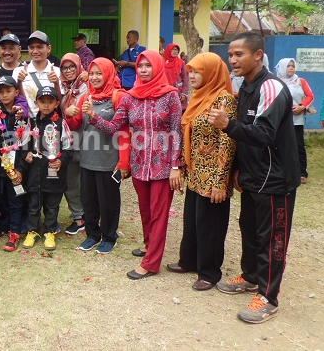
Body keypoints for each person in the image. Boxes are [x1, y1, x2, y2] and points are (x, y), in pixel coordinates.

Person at [207, 32, 300, 324]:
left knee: (273, 238)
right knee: (249, 228)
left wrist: (227, 124)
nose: (232, 60)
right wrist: (238, 167)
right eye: (230, 55)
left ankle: (268, 297)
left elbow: (264, 134)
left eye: (239, 54)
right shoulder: (246, 86)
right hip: (252, 176)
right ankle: (249, 276)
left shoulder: (271, 86)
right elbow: (246, 134)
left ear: (258, 55)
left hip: (275, 179)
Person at [84, 50, 183, 279]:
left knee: (159, 215)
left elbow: (176, 131)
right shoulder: (130, 97)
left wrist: (176, 166)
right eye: (140, 66)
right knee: (145, 210)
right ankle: (149, 246)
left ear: (157, 67)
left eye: (148, 66)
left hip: (162, 166)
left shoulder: (170, 96)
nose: (144, 70)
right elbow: (114, 127)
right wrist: (94, 116)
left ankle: (151, 264)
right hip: (139, 164)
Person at [165, 53, 237, 291]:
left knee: (211, 226)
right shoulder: (199, 96)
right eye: (191, 72)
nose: (192, 76)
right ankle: (189, 261)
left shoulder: (224, 100)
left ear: (212, 73)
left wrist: (220, 181)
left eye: (198, 72)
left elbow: (227, 142)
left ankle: (209, 272)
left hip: (214, 175)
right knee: (193, 221)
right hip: (196, 173)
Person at [67, 58, 128, 254]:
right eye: (91, 73)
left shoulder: (119, 97)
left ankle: (109, 236)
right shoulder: (87, 97)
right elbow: (76, 125)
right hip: (87, 158)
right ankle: (92, 235)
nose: (94, 77)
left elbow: (118, 130)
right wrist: (69, 114)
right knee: (89, 201)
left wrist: (124, 162)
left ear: (108, 73)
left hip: (109, 160)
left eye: (99, 73)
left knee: (108, 202)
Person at [20, 86, 73, 251]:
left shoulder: (61, 123)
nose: (46, 105)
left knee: (52, 206)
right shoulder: (31, 122)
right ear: (36, 103)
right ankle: (33, 231)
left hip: (54, 174)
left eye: (50, 102)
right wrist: (27, 154)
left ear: (57, 103)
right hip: (34, 174)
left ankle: (50, 232)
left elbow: (69, 148)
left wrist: (61, 161)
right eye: (42, 101)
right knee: (33, 206)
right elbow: (23, 145)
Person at [0, 76, 29, 251]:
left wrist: (21, 169)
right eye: (0, 92)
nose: (4, 95)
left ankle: (15, 231)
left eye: (8, 91)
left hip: (15, 169)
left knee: (15, 200)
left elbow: (26, 144)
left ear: (16, 92)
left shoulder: (22, 115)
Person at [59, 53, 88, 235]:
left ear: (79, 67)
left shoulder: (88, 86)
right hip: (69, 143)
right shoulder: (62, 88)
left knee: (88, 183)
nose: (68, 71)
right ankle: (78, 217)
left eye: (72, 67)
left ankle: (91, 215)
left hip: (88, 142)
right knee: (70, 183)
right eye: (65, 67)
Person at [274, 58, 313, 184]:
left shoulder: (300, 81)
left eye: (293, 66)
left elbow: (310, 96)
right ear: (282, 68)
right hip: (280, 119)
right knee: (279, 144)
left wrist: (302, 106)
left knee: (298, 146)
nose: (291, 68)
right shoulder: (276, 82)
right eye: (288, 66)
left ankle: (302, 173)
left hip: (297, 120)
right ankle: (281, 170)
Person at [15, 31, 62, 116]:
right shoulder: (18, 72)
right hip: (27, 122)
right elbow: (19, 101)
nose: (35, 51)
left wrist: (56, 83)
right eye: (31, 47)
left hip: (50, 123)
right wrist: (19, 82)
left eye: (39, 47)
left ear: (49, 48)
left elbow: (60, 103)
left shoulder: (58, 72)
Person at [163, 43, 189, 111]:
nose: (175, 51)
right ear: (168, 50)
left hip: (178, 92)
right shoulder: (162, 62)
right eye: (173, 49)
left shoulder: (181, 62)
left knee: (178, 111)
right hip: (165, 91)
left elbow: (185, 78)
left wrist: (184, 93)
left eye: (176, 50)